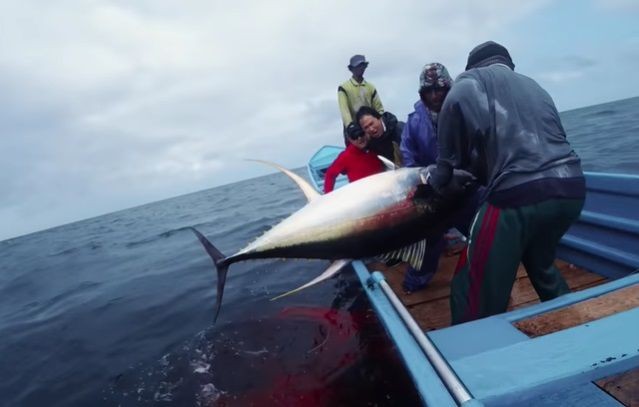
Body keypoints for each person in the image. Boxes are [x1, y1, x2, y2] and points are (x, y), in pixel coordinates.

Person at [427, 41, 586, 324]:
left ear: (471, 67)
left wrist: (438, 179)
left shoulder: (468, 82)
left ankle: (471, 347)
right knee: (542, 265)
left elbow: (451, 156)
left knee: (474, 282)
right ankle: (576, 327)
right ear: (508, 64)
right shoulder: (535, 86)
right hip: (571, 189)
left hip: (517, 197)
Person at [399, 63, 456, 293]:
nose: (435, 95)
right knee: (429, 238)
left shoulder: (462, 112)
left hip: (460, 185)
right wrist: (424, 183)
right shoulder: (413, 122)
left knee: (484, 228)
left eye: (440, 89)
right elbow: (408, 156)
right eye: (429, 91)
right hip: (430, 189)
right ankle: (414, 283)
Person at [324, 122, 384, 193]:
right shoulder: (345, 156)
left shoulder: (375, 146)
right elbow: (330, 174)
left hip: (382, 190)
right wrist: (328, 195)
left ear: (365, 132)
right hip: (363, 196)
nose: (359, 138)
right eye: (354, 136)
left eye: (360, 134)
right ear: (350, 139)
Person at [338, 55, 384, 142]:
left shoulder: (370, 87)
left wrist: (381, 121)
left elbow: (379, 109)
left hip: (370, 127)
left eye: (362, 66)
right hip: (353, 129)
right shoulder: (344, 88)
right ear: (351, 69)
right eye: (358, 66)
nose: (361, 68)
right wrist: (350, 126)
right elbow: (344, 111)